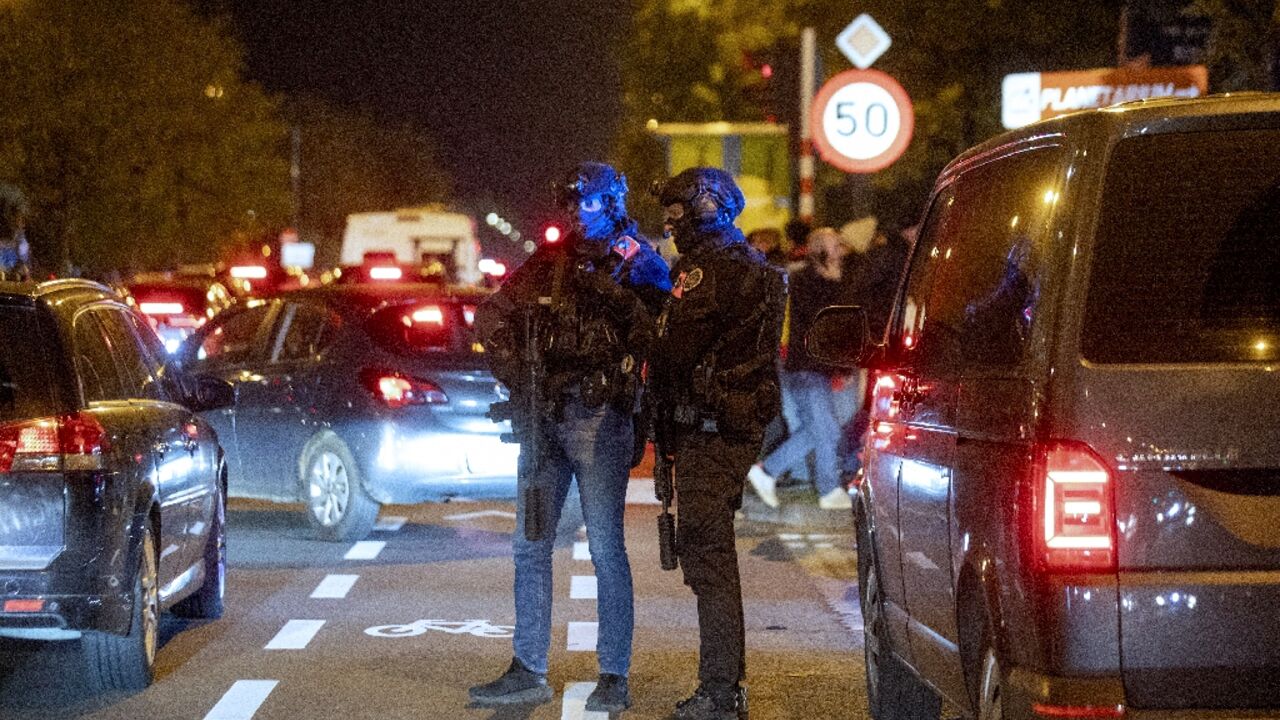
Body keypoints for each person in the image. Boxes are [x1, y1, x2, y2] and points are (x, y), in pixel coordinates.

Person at [471, 161, 670, 712]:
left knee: (606, 546)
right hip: (543, 413)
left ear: (610, 203)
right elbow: (490, 317)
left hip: (599, 414)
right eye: (570, 204)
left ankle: (614, 673)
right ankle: (527, 665)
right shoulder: (550, 259)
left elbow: (660, 328)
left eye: (585, 204)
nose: (575, 215)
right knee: (529, 544)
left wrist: (612, 296)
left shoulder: (635, 258)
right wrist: (512, 367)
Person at [648, 167, 787, 720]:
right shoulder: (752, 265)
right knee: (709, 551)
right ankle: (722, 684)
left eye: (678, 212)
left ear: (706, 208)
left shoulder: (708, 270)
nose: (670, 223)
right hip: (731, 423)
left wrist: (644, 323)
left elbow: (673, 349)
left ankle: (721, 689)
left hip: (711, 427)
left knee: (707, 554)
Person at [746, 226, 855, 510]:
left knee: (817, 429)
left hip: (810, 369)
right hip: (806, 369)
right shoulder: (810, 283)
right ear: (821, 251)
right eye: (834, 246)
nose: (840, 251)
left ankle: (767, 471)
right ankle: (828, 489)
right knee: (827, 431)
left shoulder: (816, 281)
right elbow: (825, 324)